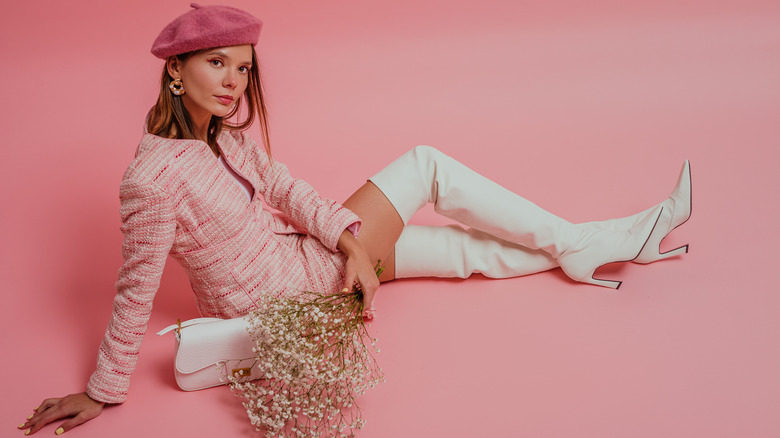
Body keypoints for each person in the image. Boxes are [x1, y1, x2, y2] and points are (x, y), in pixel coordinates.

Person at [18, 4, 692, 436]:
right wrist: (101, 392)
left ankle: (580, 247)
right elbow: (135, 288)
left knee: (462, 252)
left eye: (242, 69)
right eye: (216, 63)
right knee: (427, 163)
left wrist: (346, 241)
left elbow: (284, 185)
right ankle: (582, 242)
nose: (232, 82)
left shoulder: (224, 137)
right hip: (286, 302)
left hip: (317, 272)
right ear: (175, 72)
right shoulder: (152, 177)